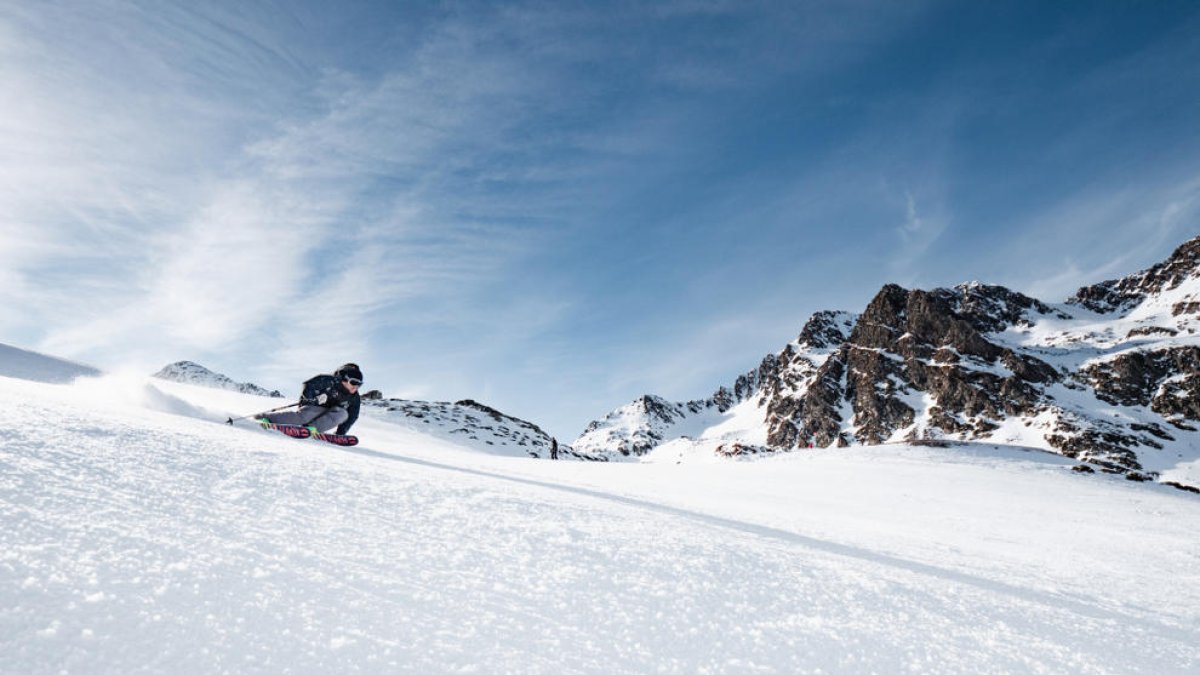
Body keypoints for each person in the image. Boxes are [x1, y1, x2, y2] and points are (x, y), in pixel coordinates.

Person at [261, 363, 363, 435]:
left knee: (343, 414)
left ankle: (311, 429)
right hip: (313, 408)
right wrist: (311, 400)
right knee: (304, 417)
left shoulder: (354, 397)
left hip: (328, 416)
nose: (356, 387)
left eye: (359, 385)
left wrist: (341, 433)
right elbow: (308, 385)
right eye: (354, 382)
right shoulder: (327, 380)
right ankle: (267, 418)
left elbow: (352, 416)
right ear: (343, 379)